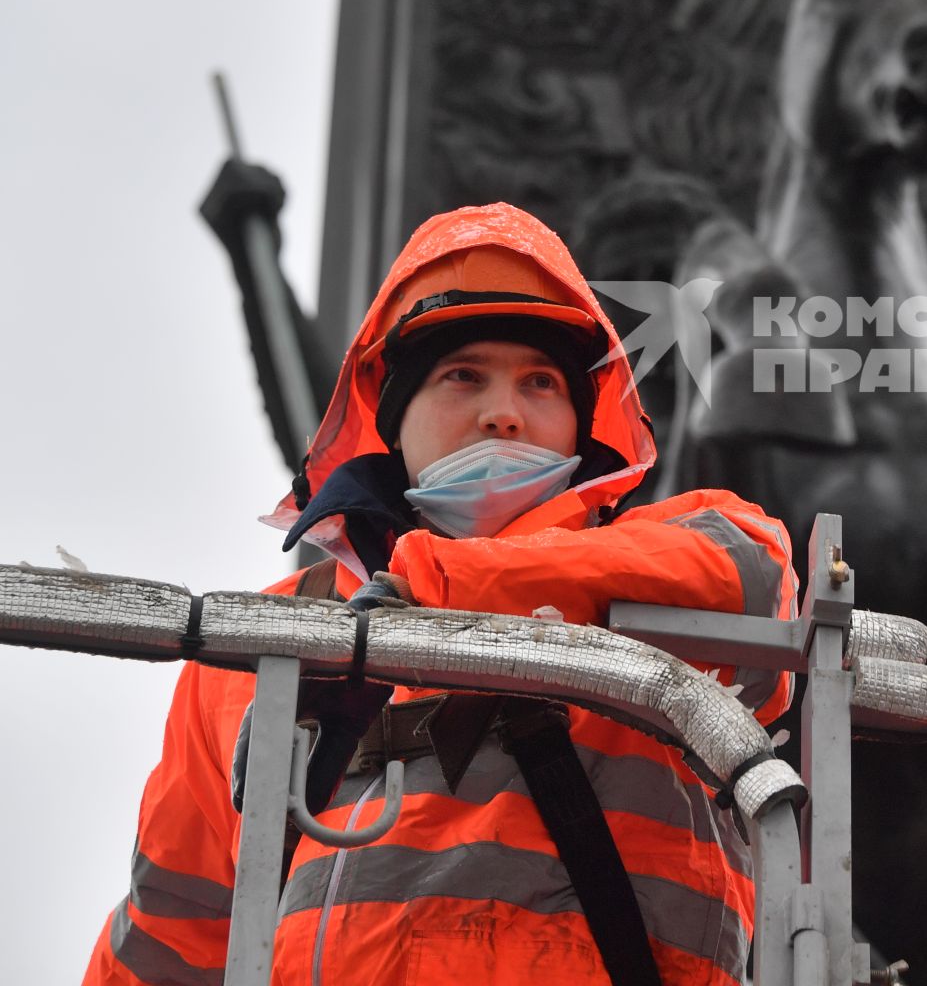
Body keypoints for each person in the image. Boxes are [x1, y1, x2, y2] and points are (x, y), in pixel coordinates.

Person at [87, 203, 796, 986]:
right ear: (392, 416)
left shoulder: (685, 548)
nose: (505, 411)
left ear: (580, 423)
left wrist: (435, 589)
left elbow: (759, 585)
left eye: (542, 381)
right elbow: (169, 938)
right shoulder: (252, 648)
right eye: (465, 375)